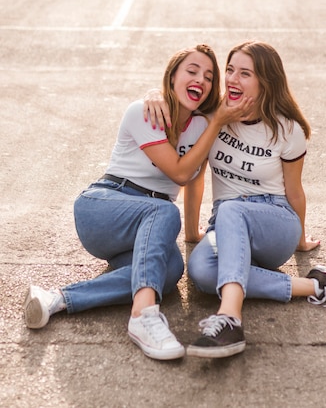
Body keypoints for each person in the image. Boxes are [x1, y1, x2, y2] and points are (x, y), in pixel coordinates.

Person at [143, 40, 326, 359]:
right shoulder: (213, 116)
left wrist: (300, 239)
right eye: (229, 71)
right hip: (224, 224)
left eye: (245, 73)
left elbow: (294, 189)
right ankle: (318, 286)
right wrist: (153, 95)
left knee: (232, 209)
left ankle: (230, 319)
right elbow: (194, 175)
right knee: (202, 271)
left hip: (274, 223)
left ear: (266, 81)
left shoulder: (287, 128)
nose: (232, 80)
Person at [23, 44, 253, 361]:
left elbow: (196, 178)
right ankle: (142, 316)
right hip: (104, 208)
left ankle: (56, 298)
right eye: (192, 71)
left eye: (210, 76)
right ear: (172, 77)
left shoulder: (201, 124)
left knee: (171, 269)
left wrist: (191, 234)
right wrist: (162, 98)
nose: (201, 78)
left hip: (146, 226)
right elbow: (180, 173)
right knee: (162, 209)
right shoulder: (144, 112)